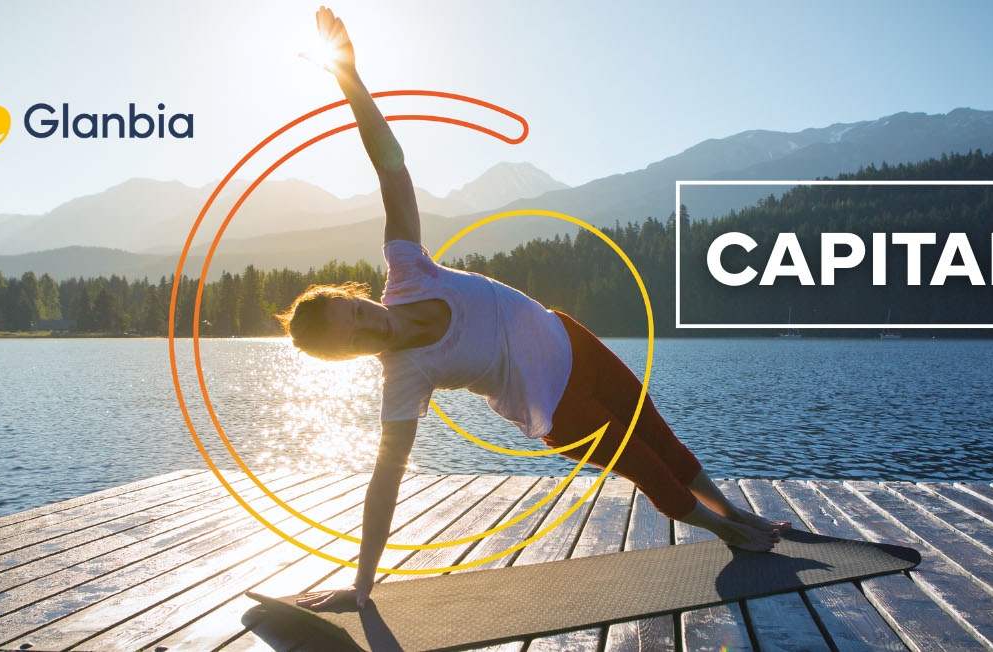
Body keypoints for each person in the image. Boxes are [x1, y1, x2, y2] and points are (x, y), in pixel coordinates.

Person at [287, 7, 788, 610]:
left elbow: (390, 164)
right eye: (356, 338)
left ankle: (732, 512)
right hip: (558, 406)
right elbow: (384, 483)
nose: (372, 325)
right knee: (645, 467)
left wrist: (349, 77)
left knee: (659, 434)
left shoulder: (408, 270)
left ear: (355, 296)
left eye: (358, 312)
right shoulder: (405, 377)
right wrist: (362, 586)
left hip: (572, 341)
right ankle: (729, 533)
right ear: (348, 356)